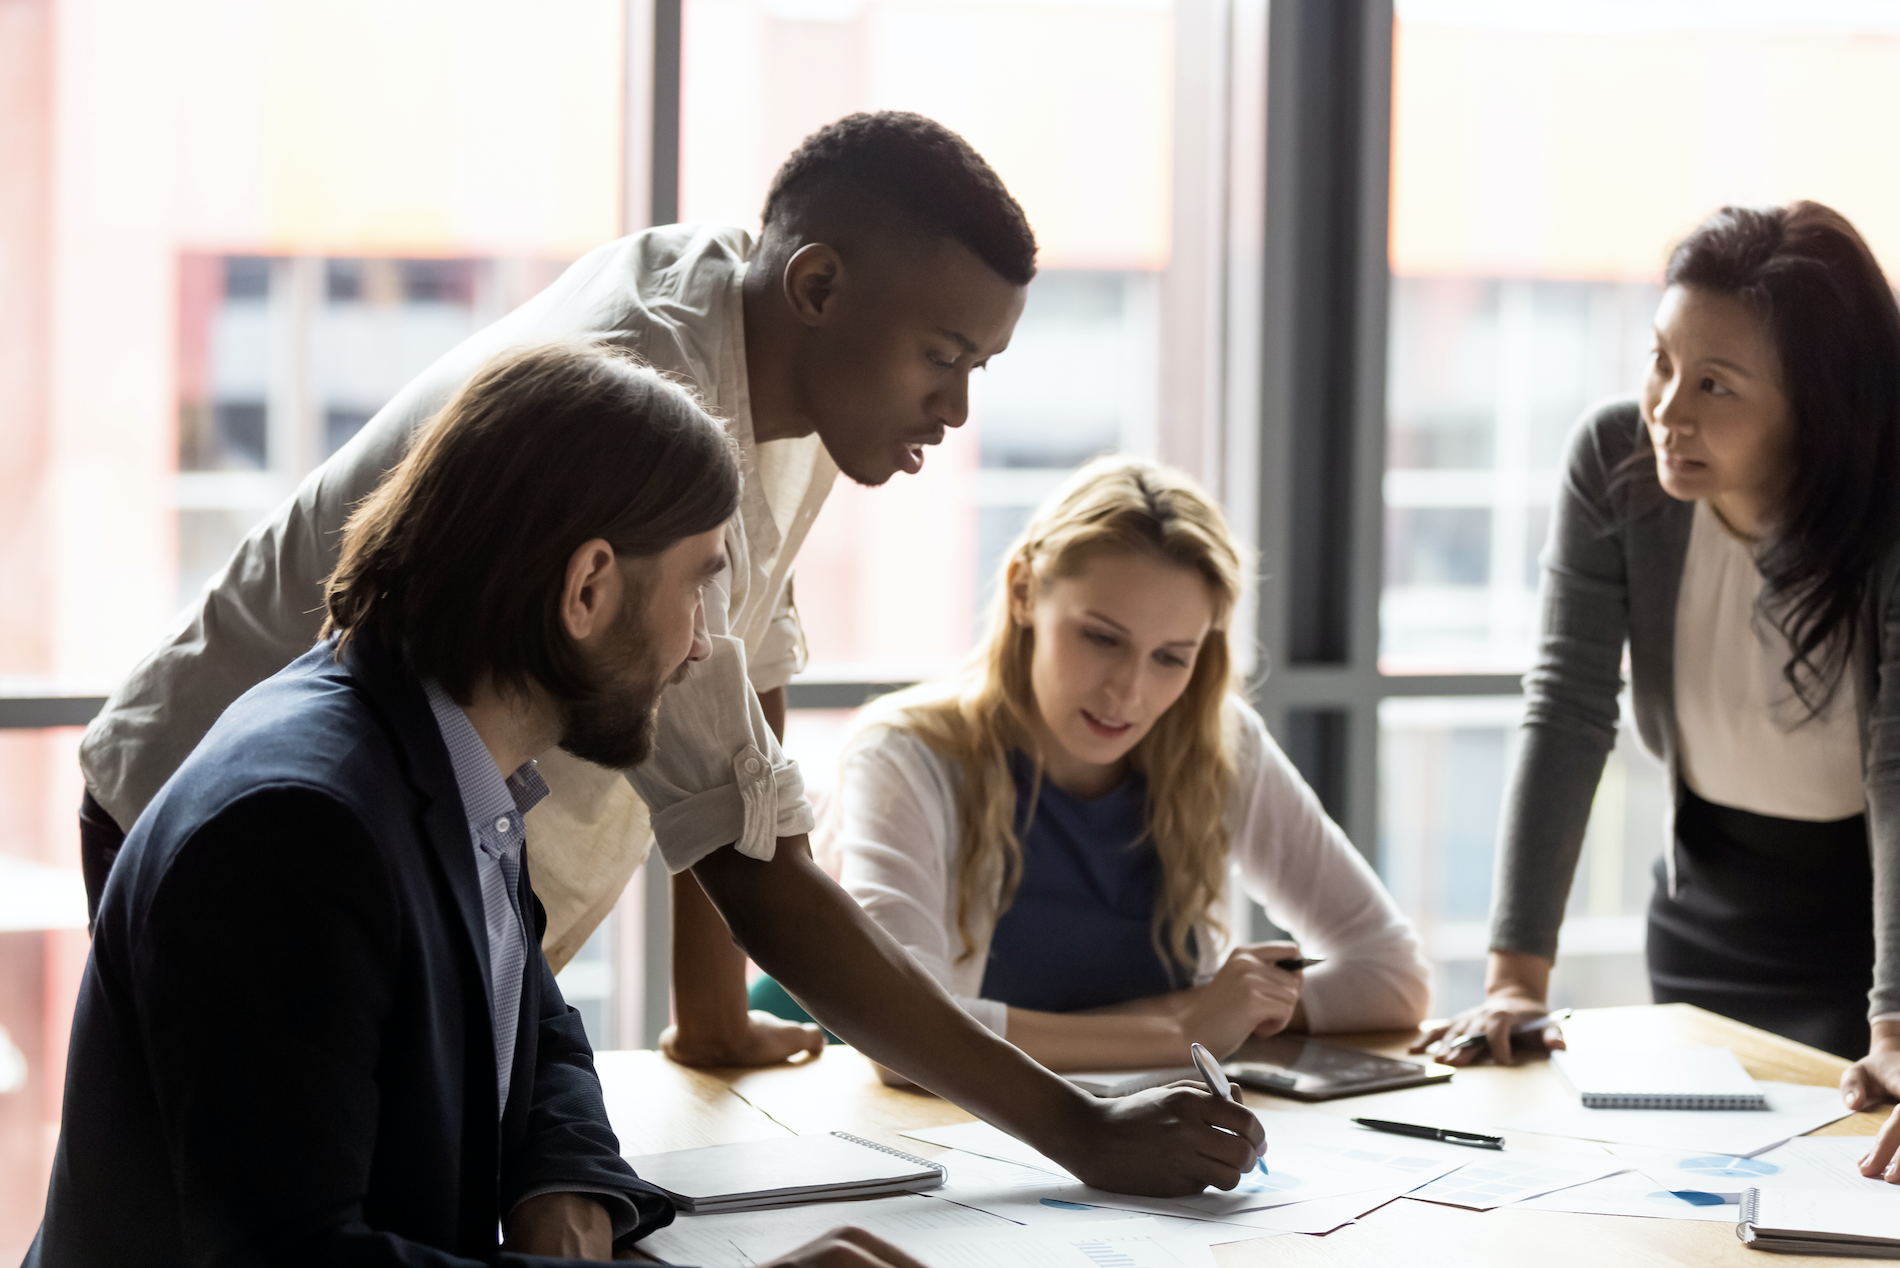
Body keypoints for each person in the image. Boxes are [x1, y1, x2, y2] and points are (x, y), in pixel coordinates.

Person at [76, 111, 1035, 1070]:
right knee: (305, 1209)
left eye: (977, 369)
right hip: (239, 828)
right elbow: (764, 879)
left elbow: (745, 686)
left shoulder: (796, 350)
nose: (955, 408)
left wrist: (712, 1014)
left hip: (427, 872)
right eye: (942, 359)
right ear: (818, 284)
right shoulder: (649, 402)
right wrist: (1087, 1134)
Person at [28, 342, 943, 1268]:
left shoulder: (437, 753)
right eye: (699, 585)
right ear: (586, 588)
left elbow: (536, 1023)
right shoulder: (299, 834)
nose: (703, 646)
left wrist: (563, 1175)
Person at [1405, 202, 1900, 1181]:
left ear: (1818, 401)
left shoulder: (1887, 513)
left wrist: (1896, 1021)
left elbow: (1897, 765)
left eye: (1714, 383)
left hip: (1874, 938)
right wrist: (1514, 978)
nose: (1666, 410)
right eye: (1660, 361)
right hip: (1706, 911)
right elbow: (1567, 704)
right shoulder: (1615, 468)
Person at [753, 456, 1429, 1071]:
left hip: (1116, 1132)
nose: (1129, 692)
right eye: (1101, 638)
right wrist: (1181, 1030)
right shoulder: (904, 759)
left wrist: (1220, 1014)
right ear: (1023, 592)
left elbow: (1394, 976)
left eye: (1172, 657)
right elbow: (902, 1038)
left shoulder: (1219, 743)